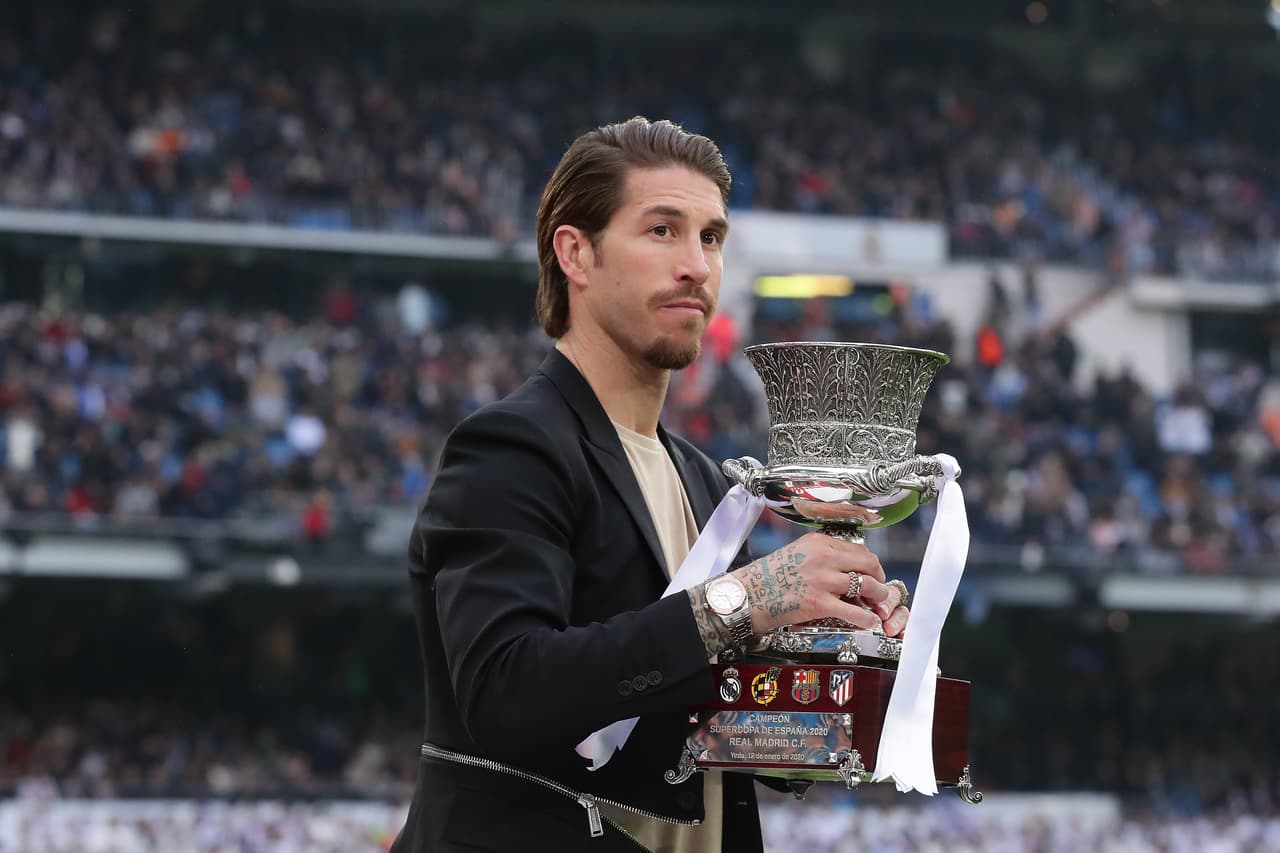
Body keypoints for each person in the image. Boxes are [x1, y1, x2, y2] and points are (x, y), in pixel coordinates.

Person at [391, 117, 910, 853]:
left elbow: (697, 726)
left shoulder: (702, 477)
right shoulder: (511, 446)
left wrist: (840, 666)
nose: (697, 265)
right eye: (662, 230)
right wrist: (750, 598)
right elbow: (504, 689)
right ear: (576, 252)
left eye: (711, 237)